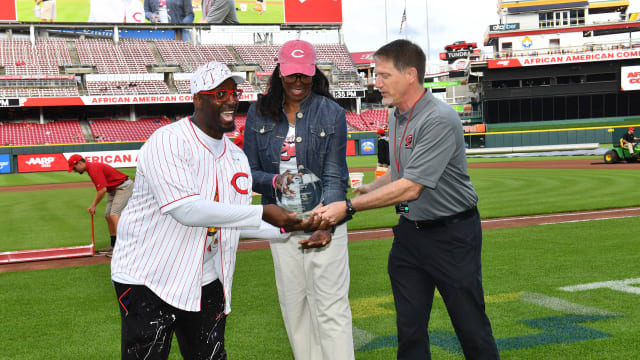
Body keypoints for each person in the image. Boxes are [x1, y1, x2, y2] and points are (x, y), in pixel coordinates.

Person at [110, 61, 308, 360]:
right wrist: (262, 212)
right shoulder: (168, 141)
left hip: (206, 278)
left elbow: (236, 220)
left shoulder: (237, 158)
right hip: (147, 278)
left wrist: (293, 227)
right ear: (198, 99)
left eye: (234, 92)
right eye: (220, 93)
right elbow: (185, 210)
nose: (231, 99)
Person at [316, 39, 501, 360]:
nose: (376, 82)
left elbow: (412, 186)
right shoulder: (397, 115)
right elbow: (402, 172)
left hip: (452, 236)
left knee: (470, 326)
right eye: (376, 74)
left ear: (411, 75)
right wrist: (369, 189)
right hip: (410, 235)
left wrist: (347, 207)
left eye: (384, 75)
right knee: (410, 329)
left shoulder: (439, 118)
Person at [243, 40, 354, 360]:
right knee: (295, 307)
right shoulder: (258, 112)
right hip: (282, 221)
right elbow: (248, 171)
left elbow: (336, 174)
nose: (298, 82)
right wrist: (275, 181)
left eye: (304, 75)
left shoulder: (330, 112)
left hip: (323, 216)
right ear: (279, 73)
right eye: (291, 75)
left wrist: (328, 224)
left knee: (331, 307)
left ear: (313, 73)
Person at [68, 155, 133, 256]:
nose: (74, 171)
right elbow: (104, 189)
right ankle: (113, 245)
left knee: (114, 214)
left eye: (74, 168)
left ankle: (123, 246)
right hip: (113, 189)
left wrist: (93, 205)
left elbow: (102, 190)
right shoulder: (91, 168)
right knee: (108, 215)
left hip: (123, 187)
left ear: (80, 163)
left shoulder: (93, 168)